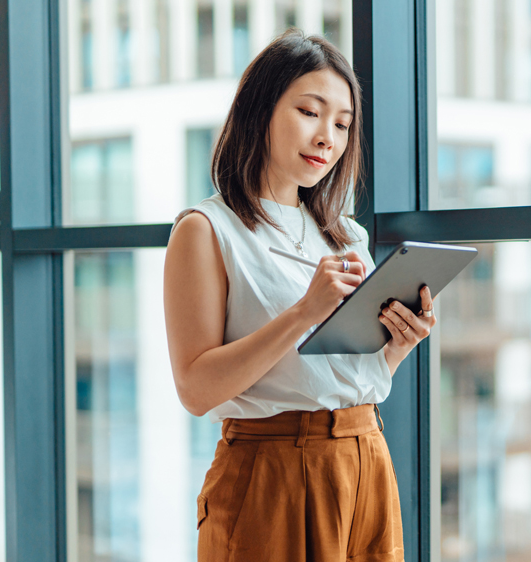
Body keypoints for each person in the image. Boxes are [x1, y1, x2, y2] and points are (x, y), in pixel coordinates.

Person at [163, 29, 431, 562]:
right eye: (310, 112)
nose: (327, 136)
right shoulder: (206, 229)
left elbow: (346, 374)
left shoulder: (345, 233)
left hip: (366, 458)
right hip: (272, 470)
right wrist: (304, 312)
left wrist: (398, 343)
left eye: (342, 124)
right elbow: (196, 390)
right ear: (259, 110)